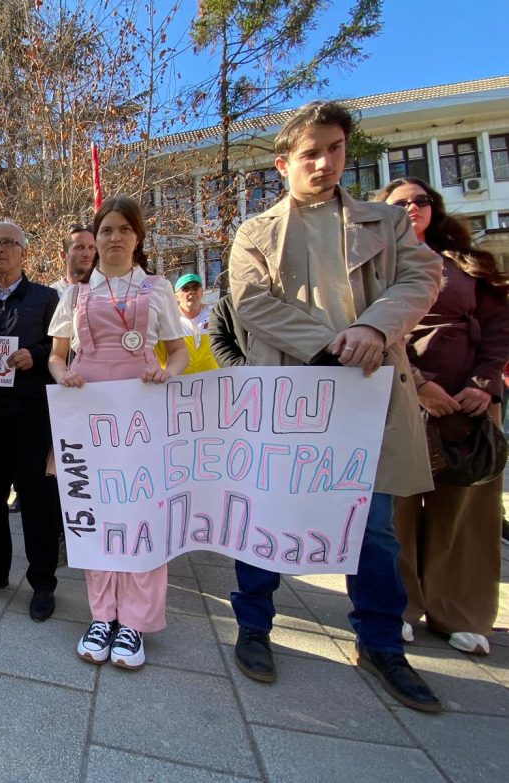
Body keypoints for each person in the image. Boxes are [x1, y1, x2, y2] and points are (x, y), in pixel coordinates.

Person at [228, 101, 443, 713]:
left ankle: (379, 642)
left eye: (335, 149)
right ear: (283, 163)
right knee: (263, 516)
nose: (325, 162)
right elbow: (250, 303)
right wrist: (331, 344)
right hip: (289, 395)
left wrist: (374, 328)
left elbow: (421, 280)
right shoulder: (256, 232)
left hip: (366, 397)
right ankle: (254, 626)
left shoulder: (387, 223)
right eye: (310, 152)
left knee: (372, 526)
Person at [48, 196, 188, 668]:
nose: (113, 237)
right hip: (90, 412)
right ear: (95, 238)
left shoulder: (158, 288)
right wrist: (61, 374)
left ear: (137, 236)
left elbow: (178, 352)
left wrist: (168, 374)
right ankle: (102, 615)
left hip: (142, 410)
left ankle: (134, 623)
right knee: (98, 510)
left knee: (142, 509)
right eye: (105, 229)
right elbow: (56, 354)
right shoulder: (75, 293)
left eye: (124, 229)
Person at [376, 177, 509, 657]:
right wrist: (420, 382)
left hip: (470, 406)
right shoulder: (376, 264)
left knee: (465, 512)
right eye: (400, 203)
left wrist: (485, 381)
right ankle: (399, 606)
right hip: (401, 393)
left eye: (421, 200)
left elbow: (499, 325)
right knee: (397, 509)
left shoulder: (467, 264)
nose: (412, 208)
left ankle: (460, 612)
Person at [0, 220, 62, 621]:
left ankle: (42, 583)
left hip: (32, 415)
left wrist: (34, 355)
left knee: (37, 503)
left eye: (8, 242)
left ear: (24, 252)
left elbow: (63, 348)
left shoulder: (46, 298)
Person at [155, 273, 219, 374]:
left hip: (212, 380)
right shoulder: (167, 320)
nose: (191, 292)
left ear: (201, 292)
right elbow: (159, 357)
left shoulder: (215, 315)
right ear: (176, 296)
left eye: (195, 288)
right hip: (179, 383)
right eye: (185, 289)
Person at [51, 224, 96, 296]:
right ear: (63, 255)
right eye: (79, 247)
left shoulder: (106, 291)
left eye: (91, 247)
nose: (87, 254)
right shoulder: (53, 294)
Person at [208, 294, 248, 368]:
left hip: (274, 372)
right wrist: (241, 367)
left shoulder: (274, 302)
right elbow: (218, 342)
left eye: (195, 288)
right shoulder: (224, 305)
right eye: (186, 289)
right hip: (240, 372)